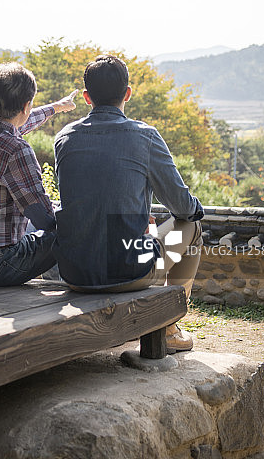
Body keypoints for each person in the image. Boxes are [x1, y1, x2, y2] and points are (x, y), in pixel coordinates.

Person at [53, 54, 203, 353]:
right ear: (128, 93)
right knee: (192, 226)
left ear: (86, 97)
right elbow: (183, 208)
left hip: (74, 272)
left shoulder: (64, 138)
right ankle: (169, 328)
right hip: (129, 268)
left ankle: (164, 324)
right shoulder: (144, 136)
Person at [0, 61, 78, 286]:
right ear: (25, 106)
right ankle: (61, 290)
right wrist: (79, 217)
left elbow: (16, 124)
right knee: (66, 233)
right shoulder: (17, 150)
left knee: (41, 226)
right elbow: (44, 217)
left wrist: (57, 107)